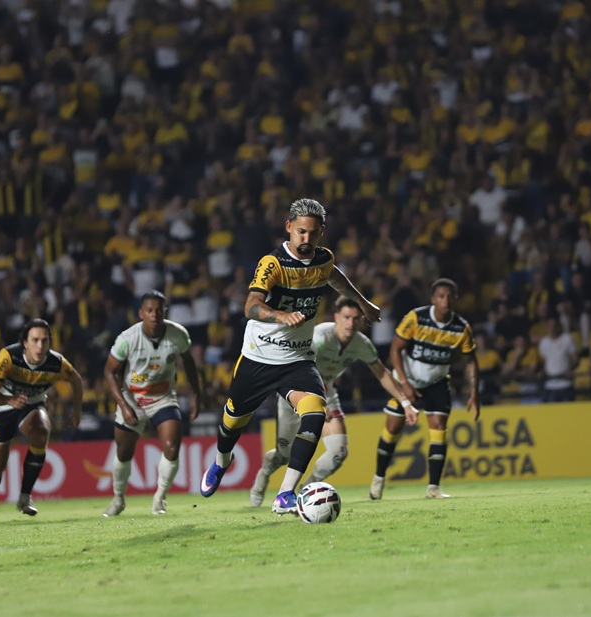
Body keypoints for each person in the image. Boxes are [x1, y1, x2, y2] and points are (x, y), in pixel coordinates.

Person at [199, 198, 380, 515]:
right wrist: (280, 315)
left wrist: (362, 302)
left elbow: (333, 275)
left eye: (312, 233)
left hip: (298, 359)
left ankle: (285, 493)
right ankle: (221, 462)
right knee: (230, 426)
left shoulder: (323, 259)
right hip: (259, 357)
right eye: (300, 232)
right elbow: (251, 306)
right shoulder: (273, 263)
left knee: (315, 412)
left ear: (321, 232)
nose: (306, 239)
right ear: (288, 228)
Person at [248, 296, 417, 507]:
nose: (350, 323)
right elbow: (298, 365)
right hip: (295, 393)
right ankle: (264, 475)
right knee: (284, 455)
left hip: (326, 393)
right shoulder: (320, 336)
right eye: (346, 317)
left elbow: (381, 373)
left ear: (361, 320)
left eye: (356, 318)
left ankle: (306, 493)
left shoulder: (361, 344)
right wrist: (317, 399)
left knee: (338, 453)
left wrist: (405, 403)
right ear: (336, 317)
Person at [369, 278, 480, 500]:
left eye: (449, 297)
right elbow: (395, 350)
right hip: (408, 380)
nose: (445, 301)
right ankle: (378, 479)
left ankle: (433, 488)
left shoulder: (461, 328)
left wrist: (474, 392)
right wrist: (405, 383)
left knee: (439, 428)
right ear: (433, 299)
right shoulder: (416, 318)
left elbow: (470, 360)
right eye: (441, 296)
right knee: (392, 429)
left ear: (455, 299)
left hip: (437, 383)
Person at [101, 290, 203, 517]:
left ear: (165, 312)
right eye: (149, 310)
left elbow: (188, 362)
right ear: (141, 313)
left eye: (159, 310)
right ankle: (118, 498)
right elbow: (109, 372)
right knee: (123, 452)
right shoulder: (127, 339)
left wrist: (195, 394)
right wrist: (124, 406)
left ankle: (160, 498)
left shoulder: (178, 334)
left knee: (172, 448)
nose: (154, 315)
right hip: (132, 399)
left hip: (163, 397)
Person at [0, 319, 83, 522]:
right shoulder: (9, 357)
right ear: (25, 343)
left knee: (42, 430)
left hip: (32, 403)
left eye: (44, 341)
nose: (40, 346)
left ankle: (25, 497)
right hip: (2, 405)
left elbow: (76, 380)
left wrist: (77, 412)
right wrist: (9, 400)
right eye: (35, 340)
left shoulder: (56, 363)